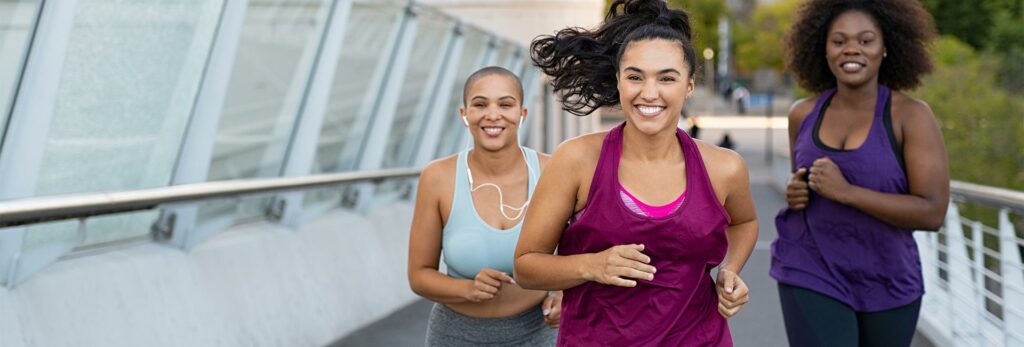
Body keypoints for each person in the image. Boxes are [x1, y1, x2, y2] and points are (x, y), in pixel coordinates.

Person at [513, 1, 759, 345]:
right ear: (619, 81)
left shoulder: (724, 168)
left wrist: (730, 270)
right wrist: (591, 266)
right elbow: (526, 266)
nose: (649, 93)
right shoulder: (577, 159)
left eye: (667, 78)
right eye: (635, 77)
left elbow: (744, 222)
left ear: (689, 85)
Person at [771, 1, 950, 346]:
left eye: (866, 40)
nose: (851, 49)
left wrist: (847, 193)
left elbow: (932, 212)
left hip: (888, 277)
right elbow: (804, 182)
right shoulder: (802, 114)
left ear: (887, 48)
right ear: (823, 49)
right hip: (811, 267)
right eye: (839, 41)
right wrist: (796, 190)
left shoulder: (911, 117)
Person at [407, 66, 559, 346]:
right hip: (455, 335)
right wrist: (468, 289)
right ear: (464, 114)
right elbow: (419, 275)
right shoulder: (437, 177)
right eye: (480, 104)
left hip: (538, 334)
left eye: (505, 104)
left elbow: (582, 251)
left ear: (522, 114)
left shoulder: (553, 170)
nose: (492, 114)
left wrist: (563, 295)